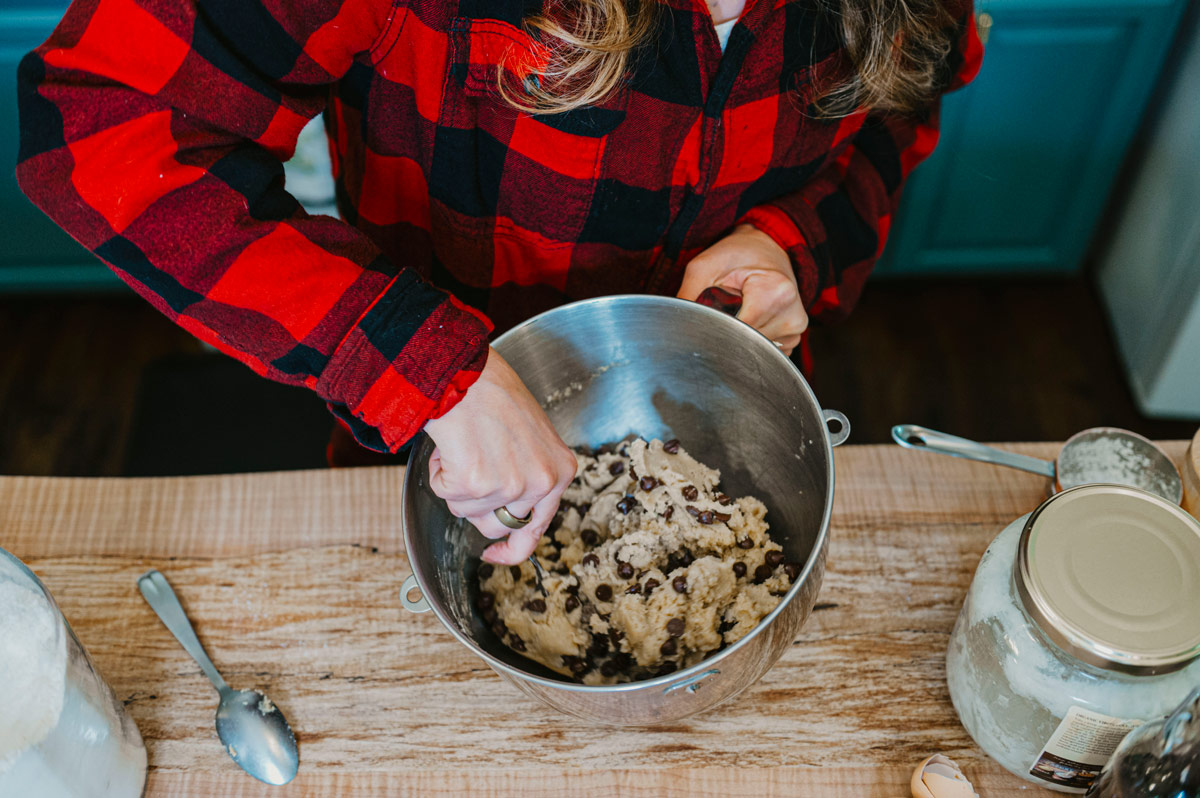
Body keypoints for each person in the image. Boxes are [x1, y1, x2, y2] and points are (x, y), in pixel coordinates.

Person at [16, 0, 981, 564]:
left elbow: (903, 113)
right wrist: (433, 368)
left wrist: (793, 241)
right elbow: (100, 125)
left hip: (732, 417)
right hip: (440, 438)